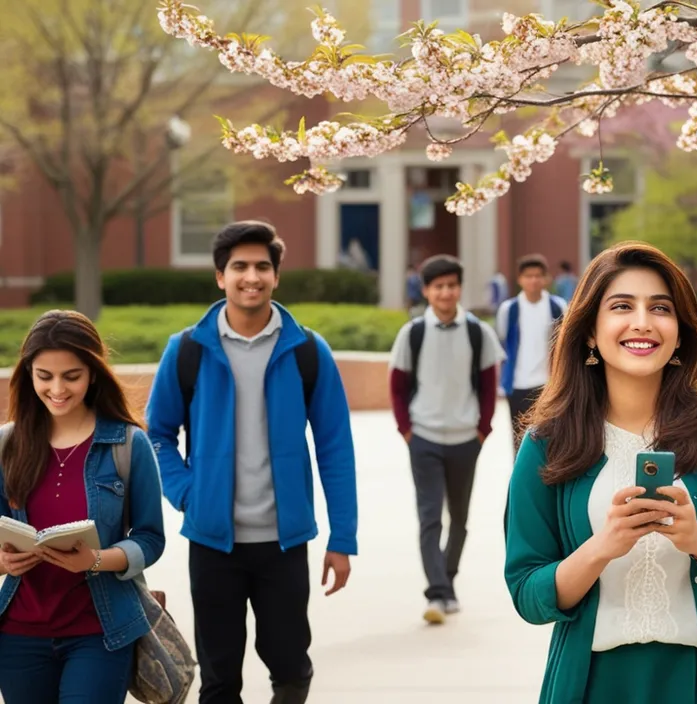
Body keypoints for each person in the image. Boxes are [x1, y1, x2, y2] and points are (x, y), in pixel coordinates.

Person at [504, 241, 697, 704]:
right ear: (591, 332)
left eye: (661, 308)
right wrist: (602, 547)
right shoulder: (546, 444)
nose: (642, 322)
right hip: (590, 685)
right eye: (621, 306)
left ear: (679, 331)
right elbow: (527, 592)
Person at [146, 221, 358, 704]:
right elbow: (156, 436)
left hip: (283, 543)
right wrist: (188, 493)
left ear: (276, 276)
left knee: (289, 663)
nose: (251, 276)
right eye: (239, 266)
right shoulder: (188, 352)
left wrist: (342, 537)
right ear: (220, 277)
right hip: (212, 543)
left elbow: (335, 448)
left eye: (263, 266)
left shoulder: (306, 350)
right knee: (219, 678)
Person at [0, 310, 166, 703]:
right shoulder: (7, 446)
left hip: (100, 631)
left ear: (93, 373)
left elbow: (150, 539)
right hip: (18, 634)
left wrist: (95, 560)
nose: (57, 388)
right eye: (45, 376)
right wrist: (4, 562)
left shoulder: (127, 444)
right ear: (28, 375)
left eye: (71, 376)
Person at [389, 254, 504, 625]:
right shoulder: (413, 333)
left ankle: (447, 582)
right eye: (437, 286)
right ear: (426, 290)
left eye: (451, 285)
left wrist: (482, 429)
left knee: (459, 518)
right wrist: (406, 429)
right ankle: (437, 592)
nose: (445, 292)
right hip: (422, 437)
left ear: (459, 288)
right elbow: (397, 385)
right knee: (429, 518)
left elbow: (489, 384)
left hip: (464, 439)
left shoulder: (478, 332)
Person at [497, 253, 568, 453]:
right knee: (519, 441)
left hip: (549, 384)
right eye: (529, 276)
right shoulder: (509, 309)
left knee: (551, 440)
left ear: (546, 278)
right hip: (518, 384)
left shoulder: (557, 306)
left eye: (538, 275)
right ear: (520, 279)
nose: (534, 280)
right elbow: (503, 341)